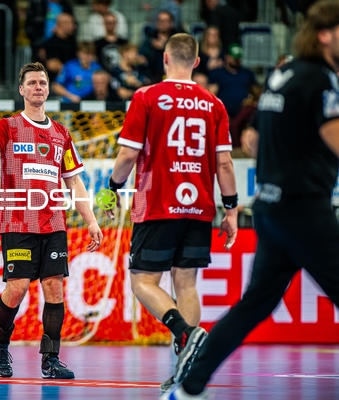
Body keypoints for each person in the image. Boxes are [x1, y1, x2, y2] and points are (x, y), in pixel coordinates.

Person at [164, 2, 339, 398]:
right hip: (303, 208)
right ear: (325, 34)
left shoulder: (284, 73)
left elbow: (252, 137)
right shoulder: (321, 79)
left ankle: (188, 388)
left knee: (254, 304)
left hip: (271, 208)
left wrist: (290, 156)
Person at [106, 33, 238, 392]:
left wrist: (112, 188)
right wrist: (231, 209)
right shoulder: (214, 103)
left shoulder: (147, 96)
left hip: (158, 204)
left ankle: (185, 333)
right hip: (199, 206)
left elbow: (128, 155)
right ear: (197, 62)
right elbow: (225, 164)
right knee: (186, 283)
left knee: (143, 282)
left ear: (165, 58)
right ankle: (186, 372)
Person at [0, 62, 103, 379]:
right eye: (32, 83)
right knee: (17, 288)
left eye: (42, 82)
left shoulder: (61, 134)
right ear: (22, 90)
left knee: (54, 288)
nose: (38, 87)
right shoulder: (9, 126)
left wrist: (92, 221)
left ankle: (50, 359)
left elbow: (74, 181)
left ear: (48, 89)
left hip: (53, 223)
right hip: (17, 222)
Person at [208, 44, 259, 121]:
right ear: (227, 57)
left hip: (243, 114)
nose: (236, 60)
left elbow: (256, 92)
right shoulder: (218, 73)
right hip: (223, 113)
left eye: (238, 58)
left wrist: (251, 101)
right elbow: (211, 95)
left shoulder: (247, 73)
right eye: (234, 58)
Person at [140, 10, 180, 83]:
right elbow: (142, 55)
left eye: (164, 21)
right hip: (152, 75)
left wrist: (164, 47)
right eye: (159, 20)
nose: (161, 23)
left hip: (173, 74)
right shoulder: (150, 37)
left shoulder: (177, 38)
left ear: (171, 23)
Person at [40, 13, 78, 82]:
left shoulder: (72, 41)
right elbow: (52, 65)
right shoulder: (51, 43)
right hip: (57, 81)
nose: (73, 26)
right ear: (61, 24)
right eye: (71, 23)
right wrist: (73, 72)